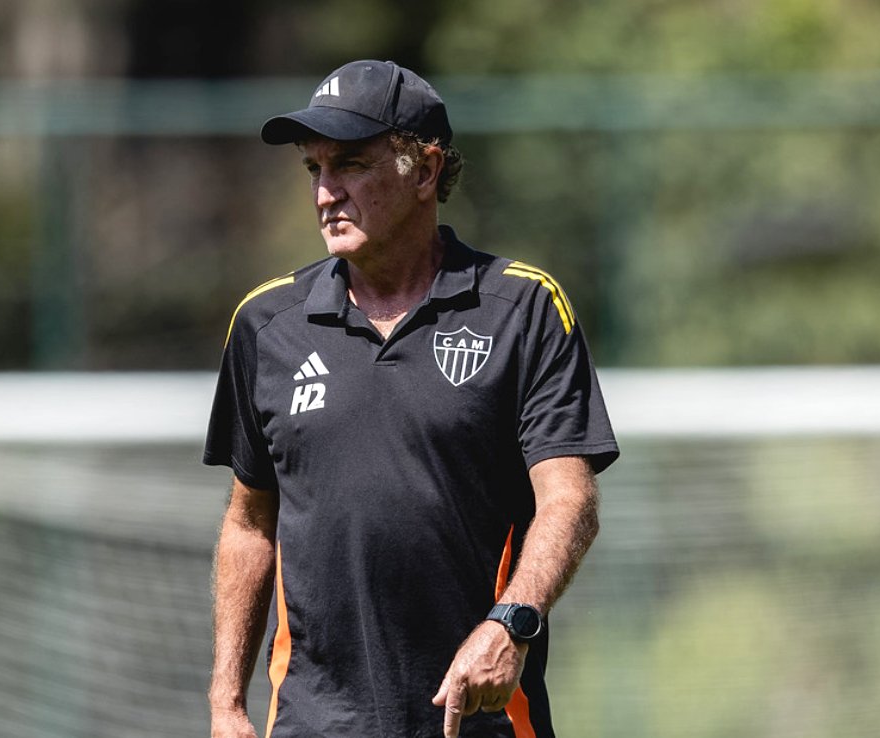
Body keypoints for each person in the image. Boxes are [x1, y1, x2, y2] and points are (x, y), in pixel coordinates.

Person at [203, 59, 619, 738]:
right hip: (313, 723)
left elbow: (570, 502)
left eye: (351, 165)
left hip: (476, 721)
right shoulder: (266, 324)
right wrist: (225, 706)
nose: (325, 194)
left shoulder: (522, 308)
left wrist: (510, 623)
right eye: (314, 169)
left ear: (424, 171)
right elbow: (249, 527)